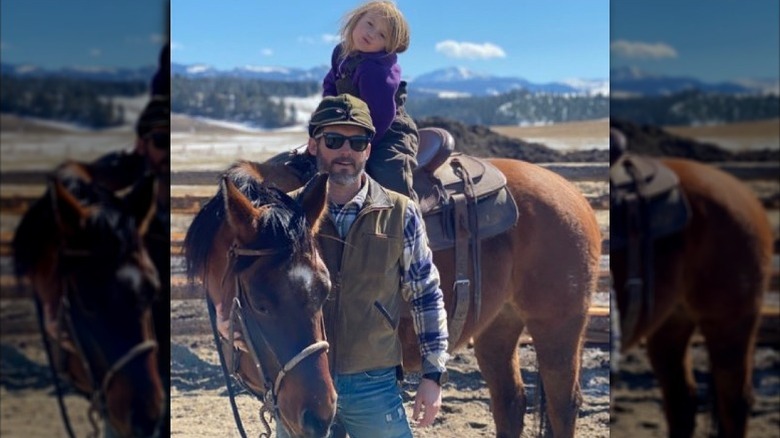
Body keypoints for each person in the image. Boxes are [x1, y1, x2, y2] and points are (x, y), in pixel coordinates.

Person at [281, 94, 449, 437]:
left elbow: (425, 294)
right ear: (314, 145)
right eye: (334, 140)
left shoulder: (400, 212)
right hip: (304, 381)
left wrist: (433, 376)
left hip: (372, 380)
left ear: (368, 150)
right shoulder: (287, 212)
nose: (346, 151)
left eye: (358, 142)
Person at [322, 0, 419, 201]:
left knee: (389, 172)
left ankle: (406, 219)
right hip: (352, 127)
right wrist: (326, 123)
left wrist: (362, 144)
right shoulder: (342, 53)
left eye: (382, 35)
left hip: (388, 132)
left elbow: (382, 115)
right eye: (369, 24)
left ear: (387, 46)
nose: (372, 33)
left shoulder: (375, 70)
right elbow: (331, 84)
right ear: (357, 20)